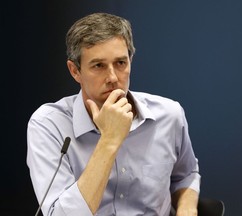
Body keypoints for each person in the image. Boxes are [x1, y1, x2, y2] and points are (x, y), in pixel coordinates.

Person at [26, 12, 201, 216]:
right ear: (75, 71)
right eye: (98, 65)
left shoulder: (169, 114)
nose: (112, 77)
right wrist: (109, 140)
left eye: (120, 63)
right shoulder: (48, 125)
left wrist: (187, 209)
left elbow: (185, 175)